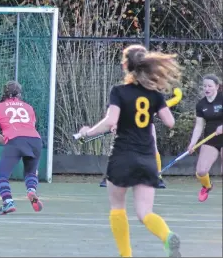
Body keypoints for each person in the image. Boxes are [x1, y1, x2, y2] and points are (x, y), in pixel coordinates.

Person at [77, 44, 182, 257]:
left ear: (125, 65)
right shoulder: (155, 94)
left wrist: (87, 133)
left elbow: (110, 121)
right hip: (147, 157)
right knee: (145, 213)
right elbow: (170, 122)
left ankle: (126, 254)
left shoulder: (119, 92)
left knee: (117, 207)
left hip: (123, 155)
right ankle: (166, 235)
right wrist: (157, 104)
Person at [0, 80, 43, 215]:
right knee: (31, 172)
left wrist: (8, 142)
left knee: (2, 176)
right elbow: (31, 126)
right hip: (35, 140)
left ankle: (8, 202)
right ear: (19, 94)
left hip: (15, 140)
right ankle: (31, 191)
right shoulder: (29, 107)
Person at [187, 74, 223, 202]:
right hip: (210, 138)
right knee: (201, 171)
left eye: (210, 86)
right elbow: (199, 126)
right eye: (204, 86)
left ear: (217, 87)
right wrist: (193, 143)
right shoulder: (201, 104)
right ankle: (207, 186)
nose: (206, 88)